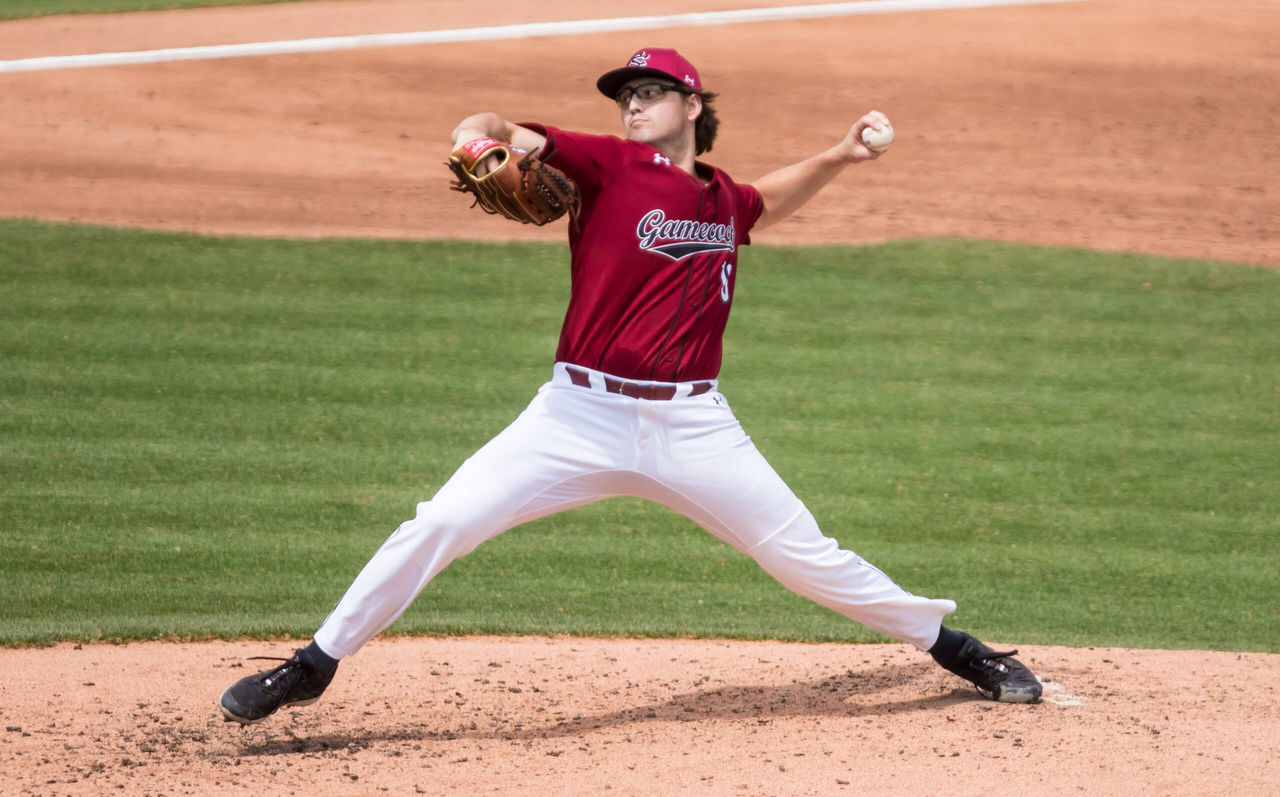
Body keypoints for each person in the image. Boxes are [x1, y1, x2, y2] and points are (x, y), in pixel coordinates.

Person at [219, 48, 1041, 725]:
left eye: (651, 93)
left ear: (692, 106)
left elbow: (765, 205)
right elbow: (497, 127)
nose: (634, 105)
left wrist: (839, 156)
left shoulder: (720, 198)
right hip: (577, 416)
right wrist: (475, 141)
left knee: (803, 557)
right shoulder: (610, 164)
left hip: (694, 428)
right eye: (627, 95)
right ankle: (313, 663)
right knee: (443, 519)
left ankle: (955, 646)